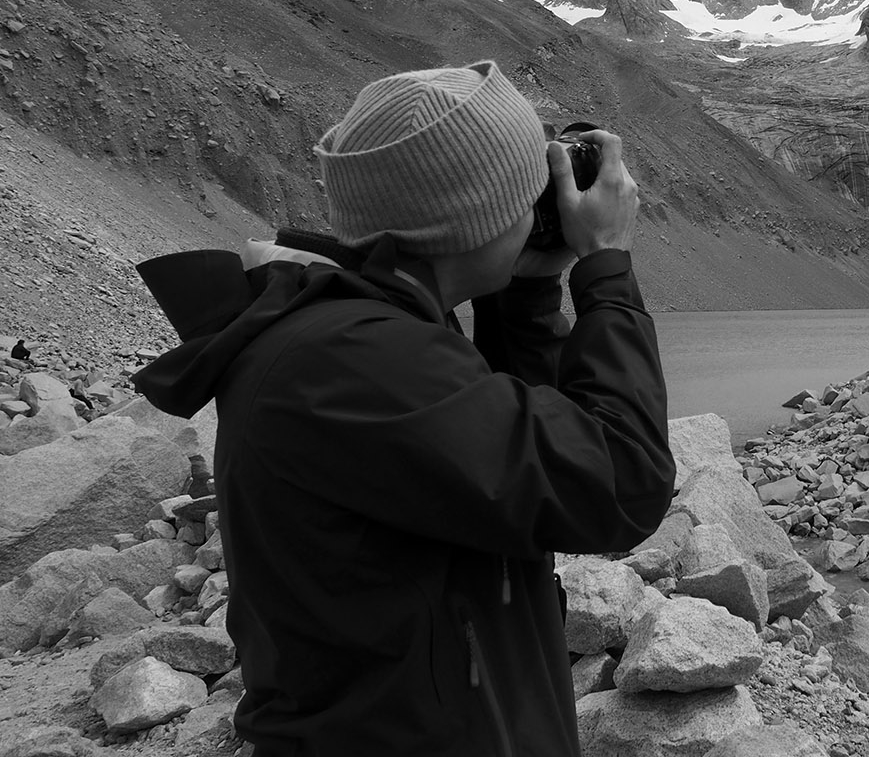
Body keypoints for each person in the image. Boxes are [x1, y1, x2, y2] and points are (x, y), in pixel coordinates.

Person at [132, 59, 675, 756]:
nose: (542, 208)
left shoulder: (366, 336)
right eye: (526, 194)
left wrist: (528, 292)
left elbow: (529, 463)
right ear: (471, 220)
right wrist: (605, 264)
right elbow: (620, 482)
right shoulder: (357, 361)